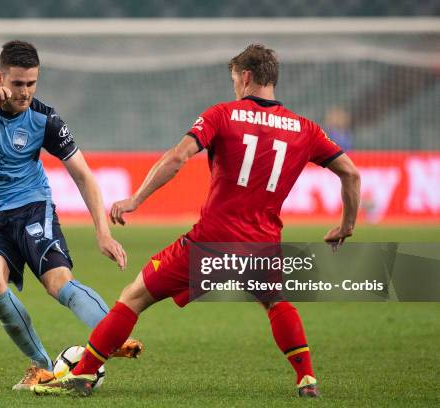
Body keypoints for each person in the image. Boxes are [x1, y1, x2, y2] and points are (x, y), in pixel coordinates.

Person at [33, 44, 361, 398]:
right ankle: (307, 379)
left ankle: (81, 375)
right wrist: (346, 225)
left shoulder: (222, 114)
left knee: (133, 297)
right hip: (263, 244)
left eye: (235, 79)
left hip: (210, 241)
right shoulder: (305, 129)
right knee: (276, 302)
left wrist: (136, 199)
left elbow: (177, 157)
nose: (234, 86)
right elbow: (351, 175)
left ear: (246, 77)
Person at [0, 40, 142, 391]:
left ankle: (112, 334)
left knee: (57, 282)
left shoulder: (44, 118)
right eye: (18, 84)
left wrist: (103, 232)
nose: (25, 92)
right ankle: (42, 366)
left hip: (31, 208)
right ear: (1, 78)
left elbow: (83, 175)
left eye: (32, 83)